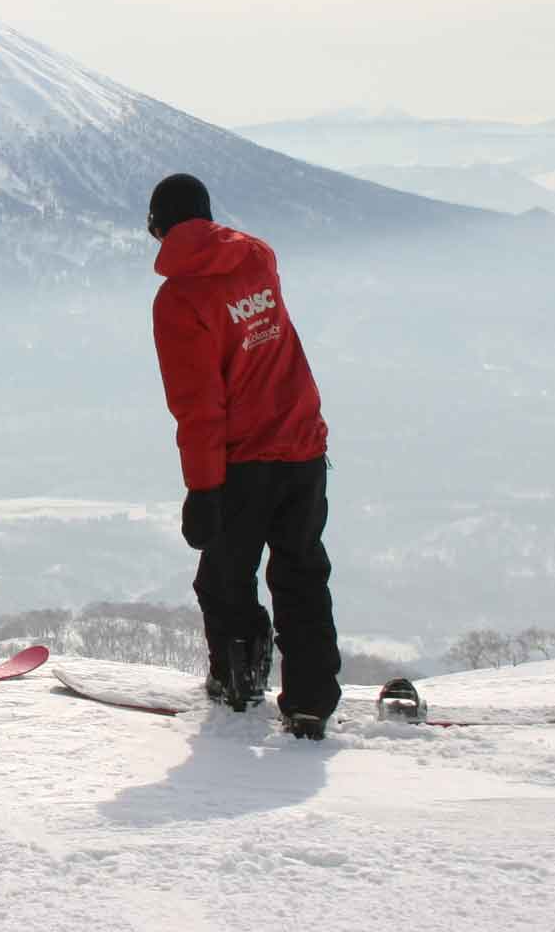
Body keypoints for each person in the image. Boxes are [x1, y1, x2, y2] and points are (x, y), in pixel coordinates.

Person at [146, 173, 341, 740]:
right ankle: (309, 702)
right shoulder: (259, 257)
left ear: (157, 228)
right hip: (303, 445)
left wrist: (203, 489)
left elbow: (198, 407)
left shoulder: (178, 300)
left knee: (225, 579)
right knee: (302, 572)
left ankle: (241, 680)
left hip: (243, 461)